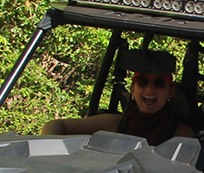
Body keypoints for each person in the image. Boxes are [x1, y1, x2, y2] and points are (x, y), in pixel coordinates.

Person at [41, 50, 193, 144]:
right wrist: (50, 147)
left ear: (170, 92)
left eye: (159, 83)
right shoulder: (112, 123)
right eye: (142, 82)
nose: (150, 88)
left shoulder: (181, 134)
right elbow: (55, 125)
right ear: (133, 89)